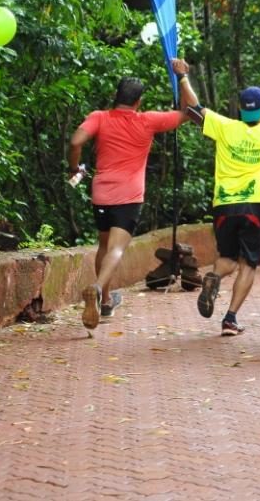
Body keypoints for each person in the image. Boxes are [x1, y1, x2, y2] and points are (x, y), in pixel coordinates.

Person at [69, 64, 194, 330]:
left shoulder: (99, 117)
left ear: (117, 96)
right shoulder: (146, 120)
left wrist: (74, 168)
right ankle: (97, 289)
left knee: (103, 247)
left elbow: (75, 141)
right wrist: (182, 76)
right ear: (138, 101)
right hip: (128, 196)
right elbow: (193, 112)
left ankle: (104, 304)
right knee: (117, 249)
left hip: (101, 195)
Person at [182, 58, 260, 336]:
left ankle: (214, 276)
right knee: (248, 264)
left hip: (224, 205)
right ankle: (230, 318)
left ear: (239, 109)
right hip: (255, 205)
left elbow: (193, 109)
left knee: (228, 259)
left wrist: (183, 77)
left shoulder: (224, 126)